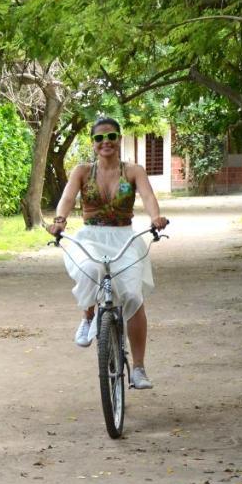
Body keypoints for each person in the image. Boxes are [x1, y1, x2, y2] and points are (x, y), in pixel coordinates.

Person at [47, 118, 168, 389]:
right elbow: (67, 198)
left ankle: (138, 369)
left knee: (134, 296)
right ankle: (88, 316)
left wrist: (156, 217)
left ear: (119, 139)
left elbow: (148, 196)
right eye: (100, 138)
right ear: (93, 144)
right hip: (91, 236)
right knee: (91, 270)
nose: (106, 142)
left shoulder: (134, 171)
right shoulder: (82, 171)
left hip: (125, 237)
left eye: (111, 136)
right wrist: (59, 220)